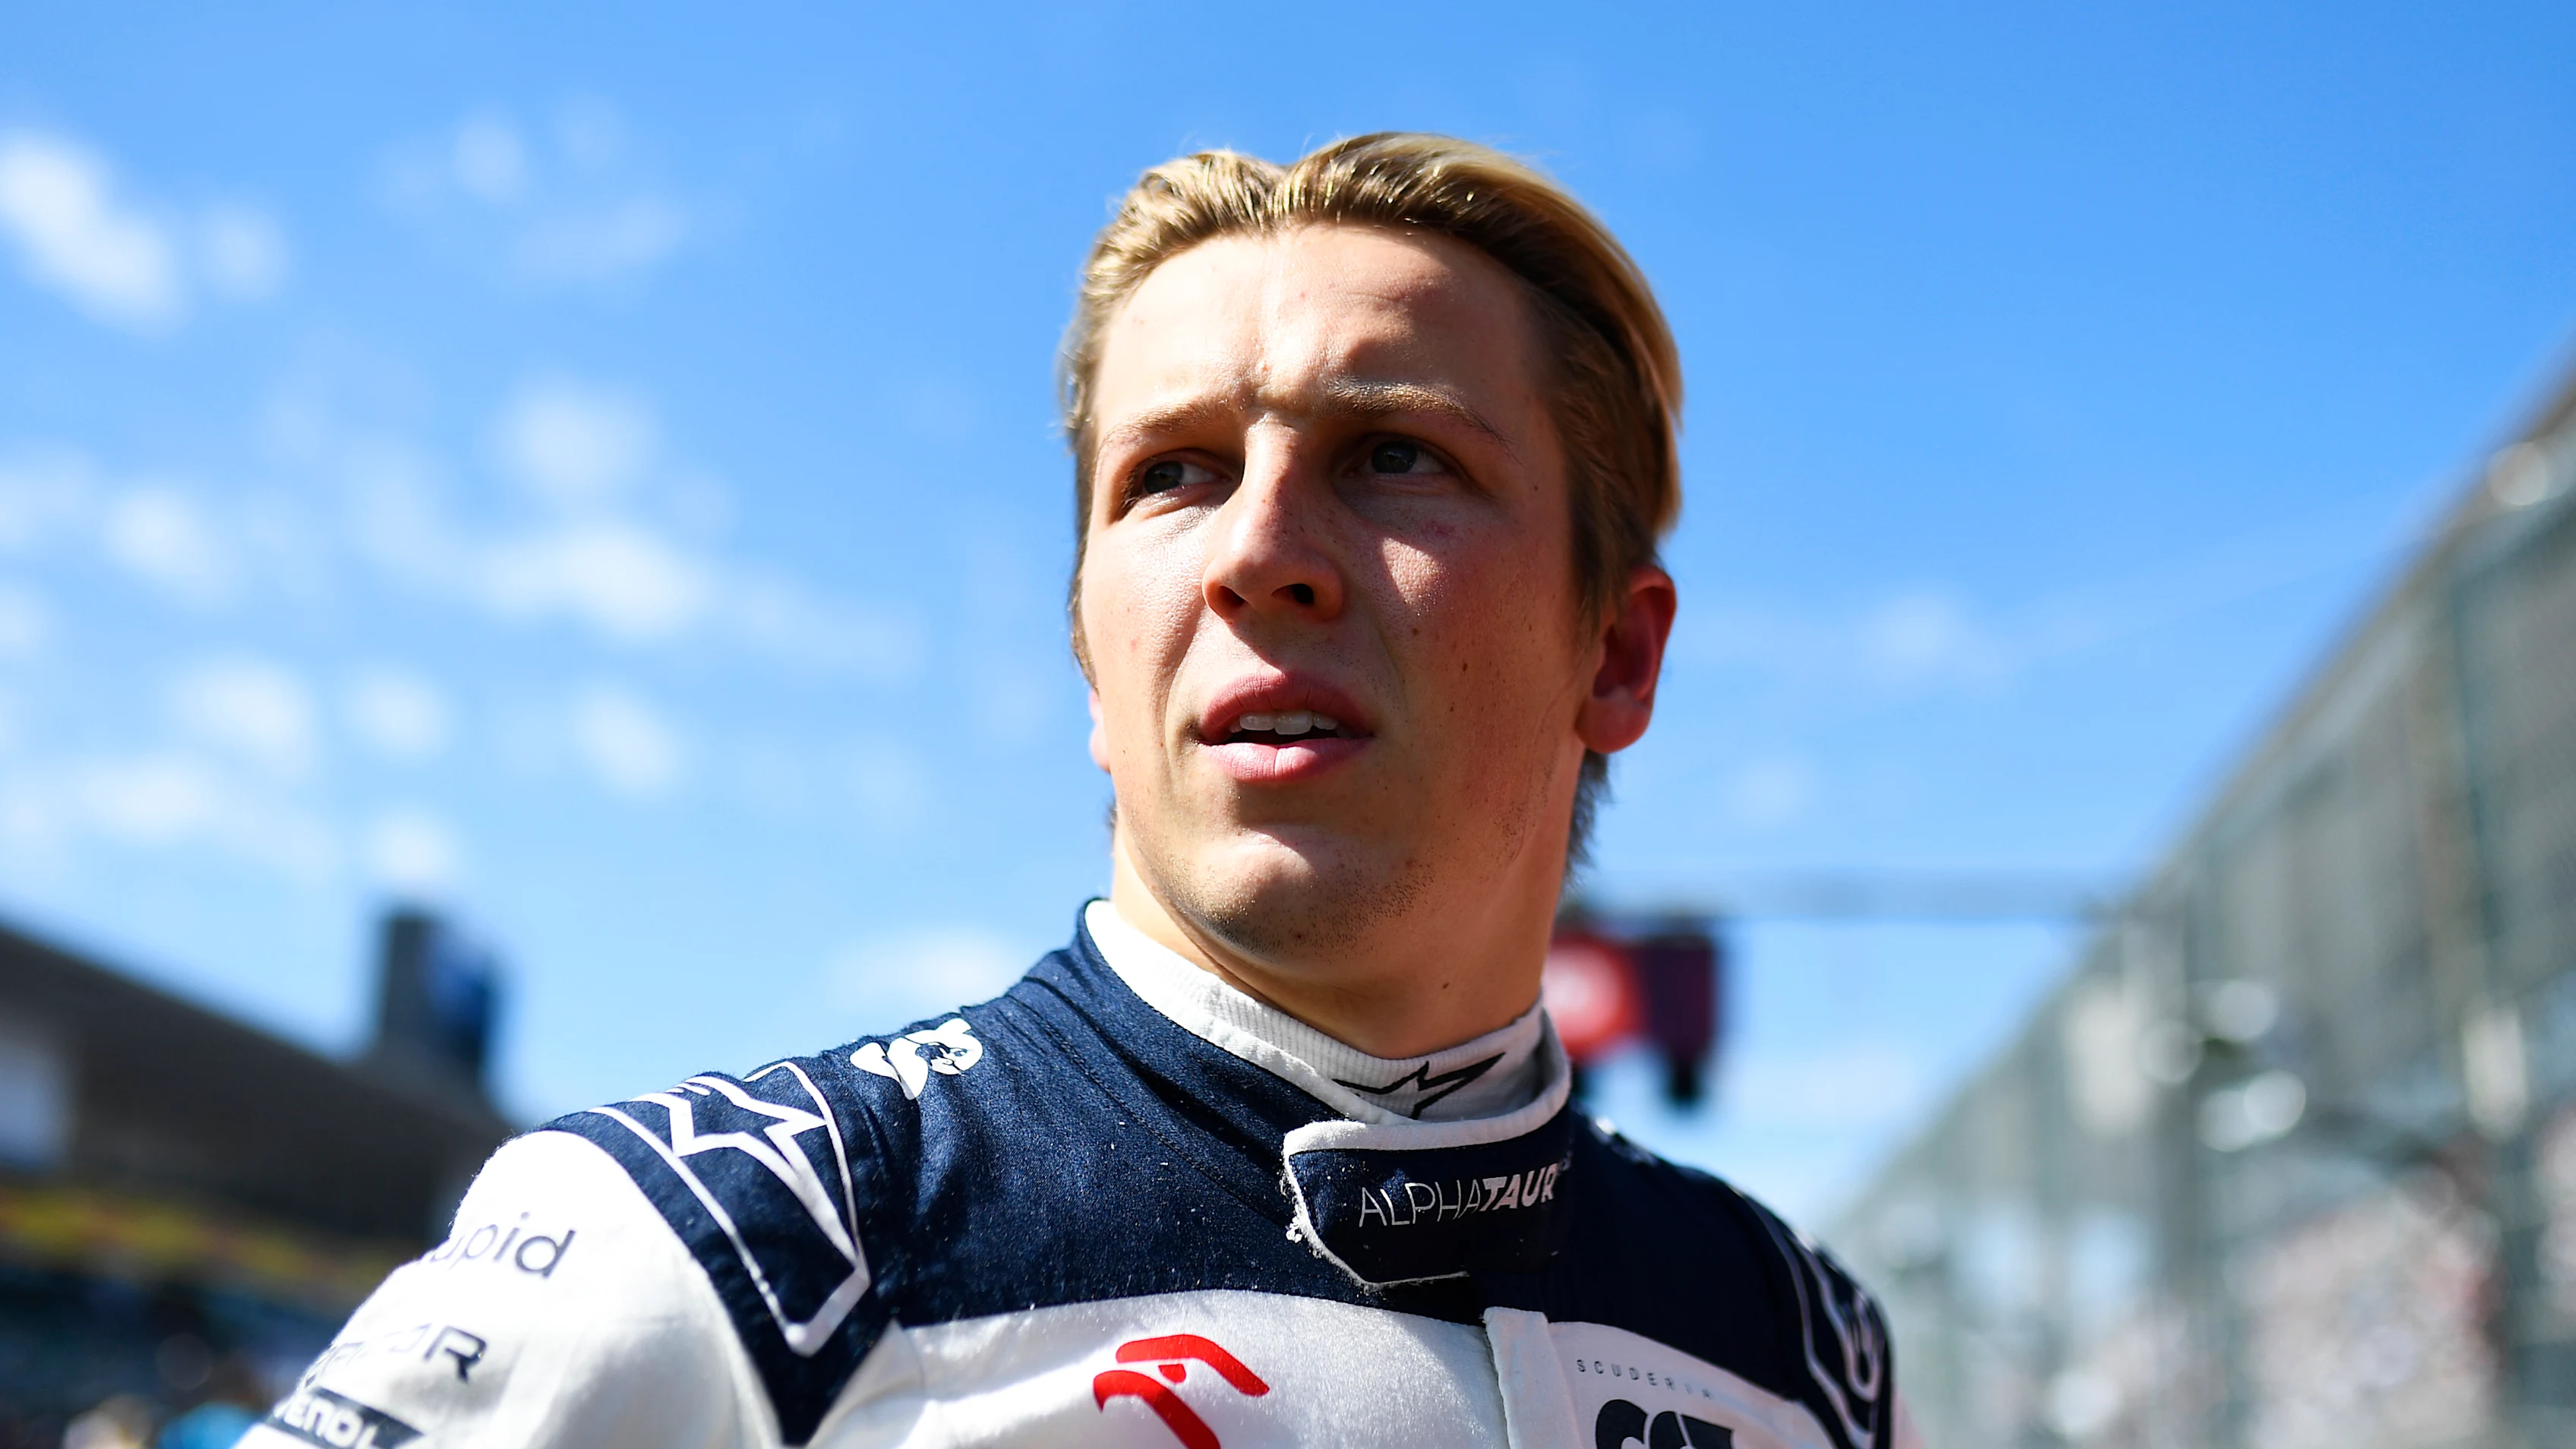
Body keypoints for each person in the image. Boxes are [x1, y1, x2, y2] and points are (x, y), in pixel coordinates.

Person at [245, 133, 1910, 1449]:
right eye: (1173, 473)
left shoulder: (1797, 1347)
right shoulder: (722, 1243)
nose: (1258, 554)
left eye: (1397, 454)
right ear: (1092, 663)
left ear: (1614, 659)